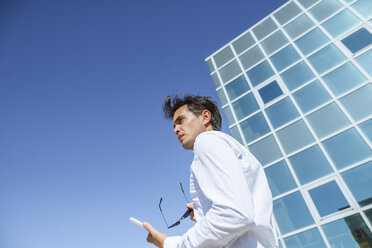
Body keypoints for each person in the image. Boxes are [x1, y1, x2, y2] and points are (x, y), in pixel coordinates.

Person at [143, 94, 277, 248]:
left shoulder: (206, 141)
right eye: (174, 126)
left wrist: (170, 243)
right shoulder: (234, 148)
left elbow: (234, 214)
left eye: (180, 121)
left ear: (205, 117)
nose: (175, 130)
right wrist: (203, 210)